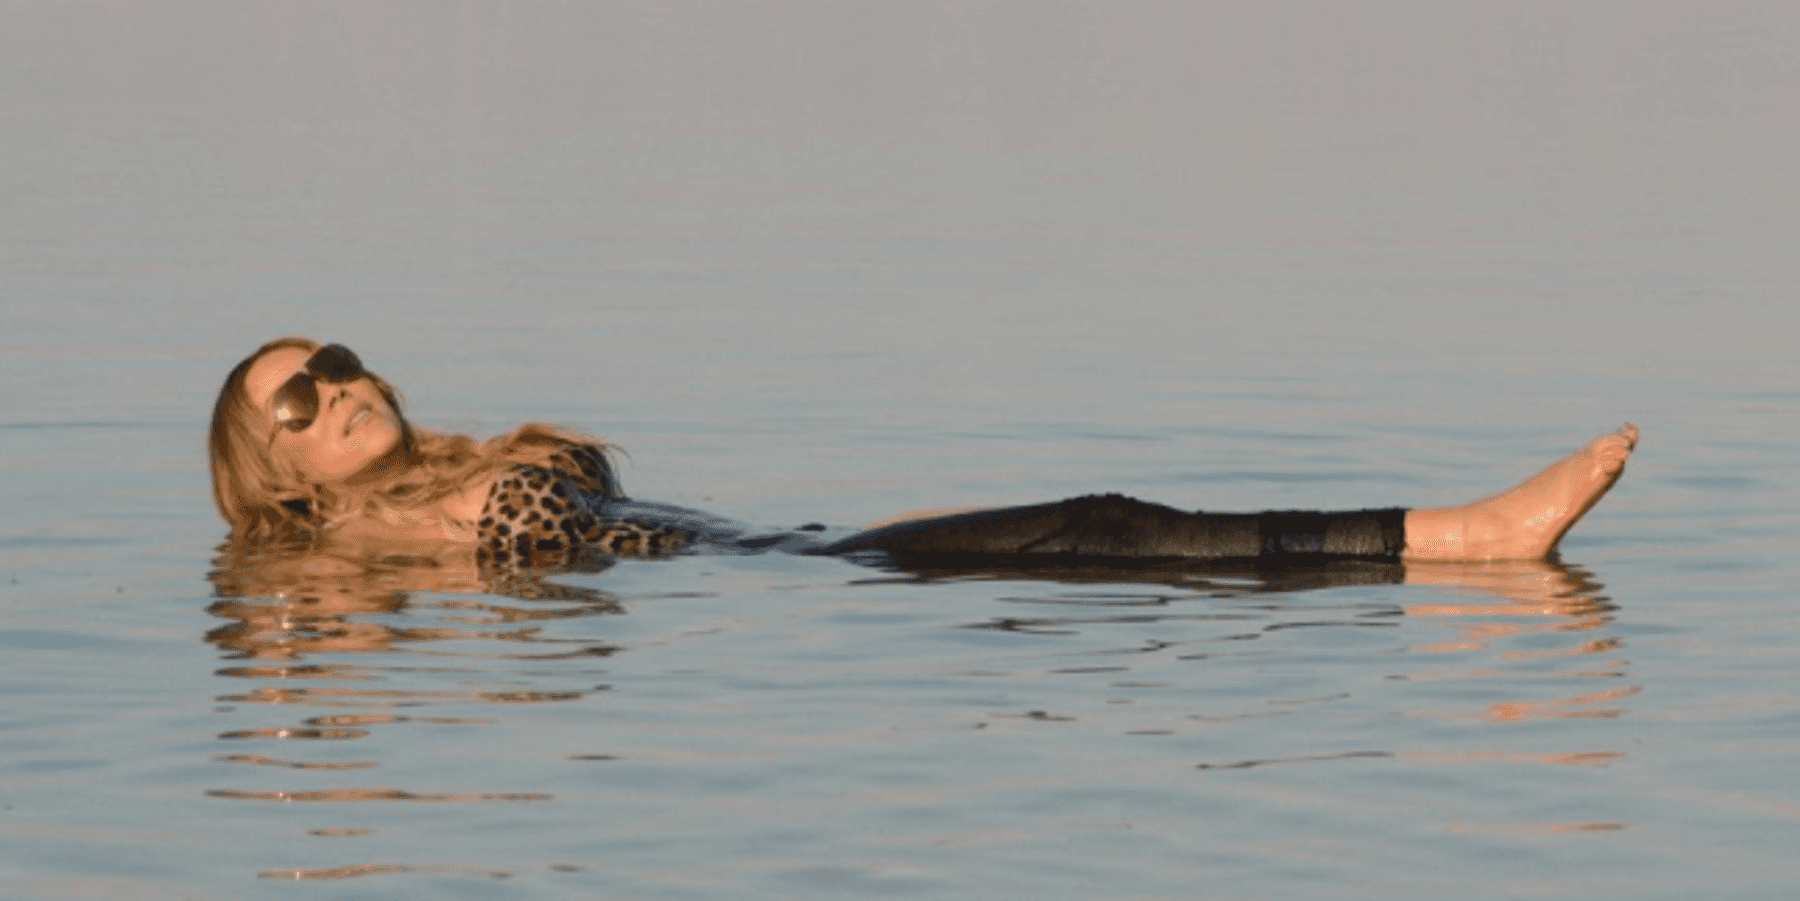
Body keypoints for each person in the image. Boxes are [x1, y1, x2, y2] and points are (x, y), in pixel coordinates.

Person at [208, 338, 1637, 579]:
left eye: (330, 363)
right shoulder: (354, 546)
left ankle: (1461, 541)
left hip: (792, 551)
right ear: (275, 475)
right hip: (791, 582)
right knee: (1106, 530)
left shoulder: (429, 485)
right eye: (293, 405)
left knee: (1104, 517)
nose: (330, 393)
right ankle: (1466, 537)